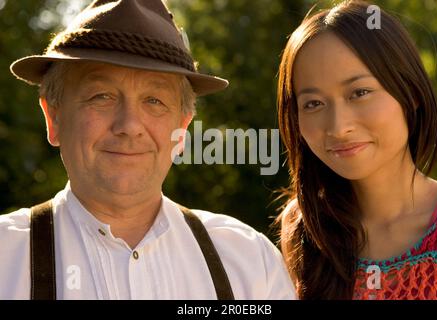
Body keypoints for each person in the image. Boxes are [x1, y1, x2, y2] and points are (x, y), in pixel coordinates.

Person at [0, 0, 296, 300]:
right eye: (101, 96)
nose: (129, 125)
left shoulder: (250, 263)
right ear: (54, 118)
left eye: (154, 100)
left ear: (182, 128)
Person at [276, 0, 437, 299]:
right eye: (313, 103)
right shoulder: (304, 229)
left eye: (360, 93)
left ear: (410, 92)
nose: (339, 127)